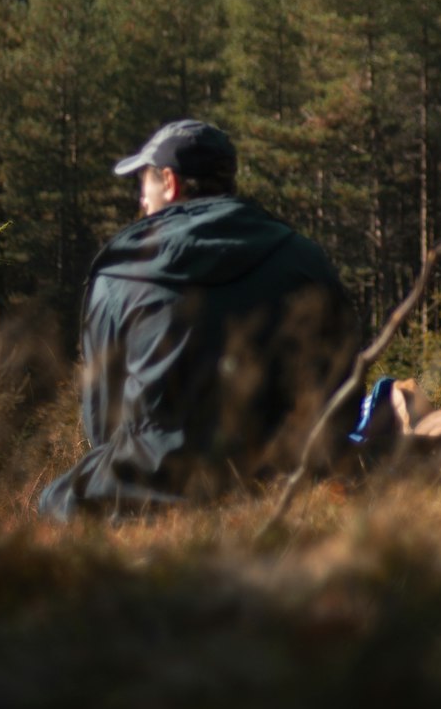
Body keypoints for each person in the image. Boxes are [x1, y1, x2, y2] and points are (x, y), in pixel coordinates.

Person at [38, 119, 359, 519]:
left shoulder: (119, 274)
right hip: (284, 486)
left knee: (53, 501)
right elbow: (342, 393)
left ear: (169, 183)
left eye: (145, 185)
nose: (142, 201)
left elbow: (102, 423)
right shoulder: (303, 258)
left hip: (146, 492)